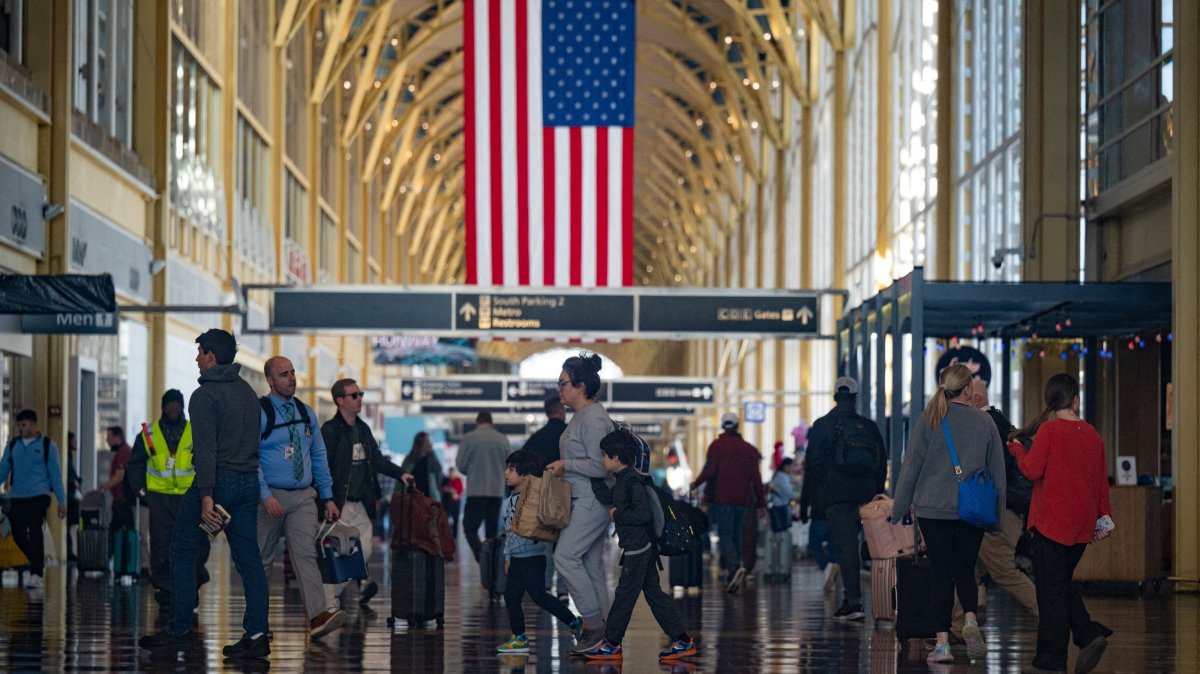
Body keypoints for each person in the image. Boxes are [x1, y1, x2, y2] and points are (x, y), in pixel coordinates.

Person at [139, 329, 271, 660]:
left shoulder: (205, 396)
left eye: (200, 352)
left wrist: (207, 496)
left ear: (211, 355)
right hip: (247, 485)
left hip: (217, 485)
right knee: (249, 561)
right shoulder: (247, 392)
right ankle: (256, 634)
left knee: (182, 550)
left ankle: (180, 629)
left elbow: (207, 451)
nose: (196, 358)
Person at [891, 363, 1005, 665]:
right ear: (968, 389)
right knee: (965, 571)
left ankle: (942, 646)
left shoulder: (930, 418)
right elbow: (998, 473)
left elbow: (910, 467)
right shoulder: (985, 423)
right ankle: (969, 618)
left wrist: (898, 509)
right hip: (973, 510)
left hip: (933, 510)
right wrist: (998, 520)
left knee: (940, 575)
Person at [1008, 374, 1112, 674]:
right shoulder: (1093, 435)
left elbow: (1030, 470)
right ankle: (1088, 633)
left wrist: (1016, 448)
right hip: (1081, 529)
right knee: (1059, 585)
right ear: (1075, 399)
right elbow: (1100, 484)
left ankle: (1051, 660)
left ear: (1051, 401)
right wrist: (1102, 519)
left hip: (1051, 524)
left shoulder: (1050, 431)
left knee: (1050, 593)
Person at [578, 429, 697, 662]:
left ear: (616, 458)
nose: (602, 460)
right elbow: (610, 499)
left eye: (604, 456)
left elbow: (642, 514)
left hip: (639, 548)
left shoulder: (632, 481)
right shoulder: (625, 479)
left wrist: (617, 515)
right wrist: (592, 478)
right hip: (641, 547)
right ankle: (681, 640)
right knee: (653, 594)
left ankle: (611, 644)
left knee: (624, 596)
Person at [255, 356, 343, 639]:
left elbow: (318, 456)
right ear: (270, 380)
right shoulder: (261, 411)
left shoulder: (306, 412)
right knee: (263, 558)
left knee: (306, 554)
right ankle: (258, 622)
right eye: (284, 374)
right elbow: (250, 457)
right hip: (271, 497)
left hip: (304, 496)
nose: (291, 378)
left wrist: (327, 496)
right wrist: (264, 494)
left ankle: (318, 616)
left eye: (293, 372)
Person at [949, 378, 1038, 636]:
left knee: (1004, 571)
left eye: (963, 398)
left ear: (974, 400)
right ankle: (958, 628)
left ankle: (1053, 615)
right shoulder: (1002, 423)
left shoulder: (982, 426)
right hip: (1003, 510)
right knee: (966, 568)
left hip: (991, 513)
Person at [803, 376, 888, 620]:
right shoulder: (869, 427)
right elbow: (880, 462)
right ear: (854, 397)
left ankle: (853, 601)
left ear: (835, 397)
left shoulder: (822, 425)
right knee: (869, 544)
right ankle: (883, 598)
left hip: (837, 496)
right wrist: (876, 492)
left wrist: (822, 490)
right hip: (865, 495)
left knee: (846, 546)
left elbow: (813, 463)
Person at [545, 353, 614, 653]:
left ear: (581, 386)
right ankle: (607, 634)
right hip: (581, 498)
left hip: (591, 498)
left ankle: (593, 622)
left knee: (564, 557)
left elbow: (600, 467)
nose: (559, 390)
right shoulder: (582, 416)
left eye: (563, 384)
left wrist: (565, 465)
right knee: (590, 564)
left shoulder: (595, 418)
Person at [322, 377, 411, 609]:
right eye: (354, 395)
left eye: (360, 394)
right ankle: (327, 601)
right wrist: (326, 499)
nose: (360, 398)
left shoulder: (362, 429)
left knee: (365, 549)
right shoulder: (331, 431)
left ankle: (329, 596)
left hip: (360, 503)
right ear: (340, 400)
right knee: (341, 553)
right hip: (338, 505)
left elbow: (377, 460)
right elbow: (322, 467)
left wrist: (401, 474)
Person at [127, 389, 211, 608]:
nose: (173, 408)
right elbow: (134, 466)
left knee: (197, 545)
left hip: (190, 498)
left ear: (183, 407)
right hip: (159, 500)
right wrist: (143, 493)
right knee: (161, 548)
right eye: (169, 404)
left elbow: (209, 461)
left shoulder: (196, 431)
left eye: (177, 404)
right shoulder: (148, 434)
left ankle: (193, 582)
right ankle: (167, 591)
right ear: (163, 407)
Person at [495, 449, 584, 654]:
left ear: (526, 475)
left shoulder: (536, 502)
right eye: (506, 469)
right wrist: (508, 556)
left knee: (539, 597)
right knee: (511, 596)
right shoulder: (508, 501)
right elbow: (508, 532)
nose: (506, 473)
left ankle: (573, 621)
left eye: (511, 469)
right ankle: (519, 637)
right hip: (517, 560)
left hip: (533, 558)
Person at [689, 412, 766, 593]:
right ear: (738, 426)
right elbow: (757, 479)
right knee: (736, 535)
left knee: (725, 535)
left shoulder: (717, 446)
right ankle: (735, 572)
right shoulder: (750, 449)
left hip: (722, 499)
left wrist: (696, 483)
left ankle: (733, 567)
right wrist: (761, 504)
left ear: (723, 426)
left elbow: (710, 470)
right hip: (742, 500)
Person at [0, 409, 66, 588]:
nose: (20, 429)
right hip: (18, 496)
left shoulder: (47, 445)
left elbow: (55, 475)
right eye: (18, 425)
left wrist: (62, 501)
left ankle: (36, 573)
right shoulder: (13, 445)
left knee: (35, 528)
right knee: (18, 534)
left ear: (34, 424)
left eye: (24, 425)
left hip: (39, 495)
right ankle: (38, 560)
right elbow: (3, 469)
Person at [522, 394, 570, 599]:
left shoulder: (536, 438)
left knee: (546, 543)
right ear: (560, 410)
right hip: (566, 496)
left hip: (541, 497)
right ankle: (562, 589)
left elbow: (523, 466)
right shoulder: (569, 434)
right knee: (565, 543)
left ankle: (543, 586)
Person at [456, 411, 511, 562]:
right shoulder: (502, 439)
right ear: (491, 422)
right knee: (491, 532)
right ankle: (491, 566)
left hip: (476, 491)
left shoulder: (469, 438)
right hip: (496, 491)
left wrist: (472, 471)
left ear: (477, 421)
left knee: (469, 529)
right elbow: (510, 465)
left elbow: (461, 465)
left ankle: (482, 556)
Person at [798, 452, 841, 593]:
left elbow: (805, 492)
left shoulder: (812, 469)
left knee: (814, 545)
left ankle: (827, 567)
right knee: (834, 546)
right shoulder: (837, 465)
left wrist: (803, 512)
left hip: (818, 514)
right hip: (835, 512)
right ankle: (832, 571)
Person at [98, 426, 134, 536]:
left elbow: (119, 476)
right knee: (118, 532)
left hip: (123, 500)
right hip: (121, 499)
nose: (107, 440)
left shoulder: (124, 452)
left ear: (117, 437)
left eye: (109, 436)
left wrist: (102, 488)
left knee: (118, 533)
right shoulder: (123, 451)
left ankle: (119, 553)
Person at [524, 395, 567, 471]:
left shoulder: (535, 438)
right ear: (561, 411)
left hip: (542, 480)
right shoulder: (571, 432)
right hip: (567, 480)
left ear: (547, 413)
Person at [400, 432, 444, 499]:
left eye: (429, 441)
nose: (429, 443)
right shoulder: (409, 459)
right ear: (419, 443)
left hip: (428, 498)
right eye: (427, 441)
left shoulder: (430, 459)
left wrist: (431, 452)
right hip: (411, 499)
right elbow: (401, 477)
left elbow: (438, 471)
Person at [440, 467, 464, 539]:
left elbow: (460, 490)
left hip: (455, 502)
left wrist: (454, 492)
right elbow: (441, 488)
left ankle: (455, 535)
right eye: (450, 473)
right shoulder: (446, 479)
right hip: (446, 502)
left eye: (452, 473)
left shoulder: (458, 480)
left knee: (456, 518)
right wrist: (448, 490)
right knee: (445, 518)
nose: (451, 474)